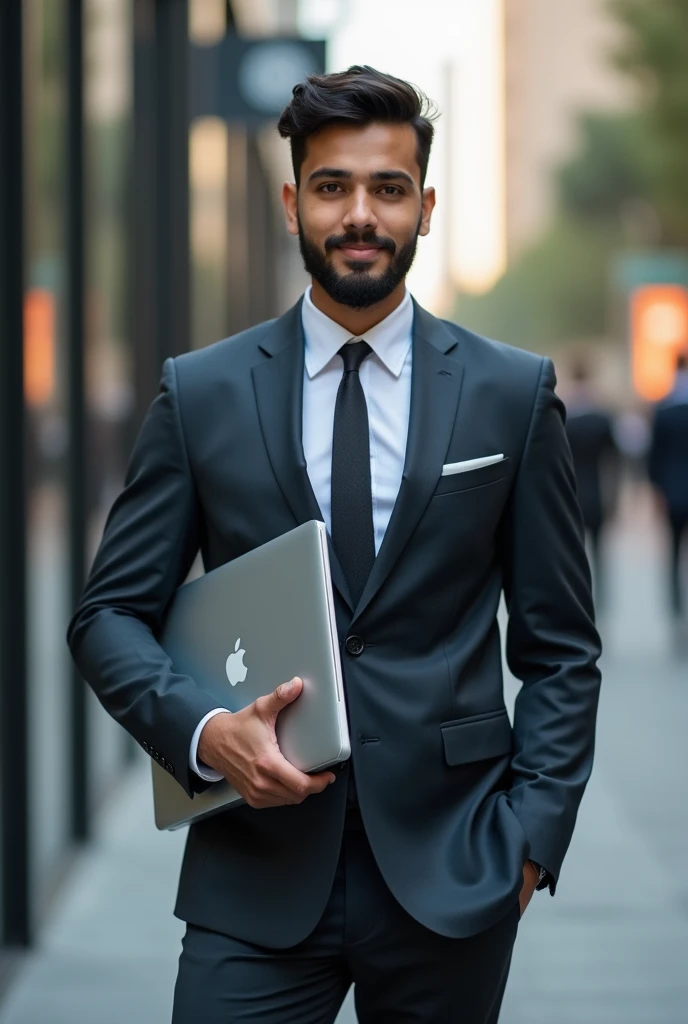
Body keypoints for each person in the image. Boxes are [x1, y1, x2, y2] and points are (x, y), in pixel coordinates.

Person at [68, 66, 601, 1024]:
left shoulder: (510, 395)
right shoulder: (202, 393)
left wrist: (530, 838)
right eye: (332, 187)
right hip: (254, 880)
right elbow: (109, 615)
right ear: (291, 202)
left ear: (425, 207)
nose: (361, 214)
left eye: (388, 188)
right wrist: (201, 734)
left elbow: (562, 648)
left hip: (456, 873)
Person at [564, 356, 620, 609]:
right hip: (597, 493)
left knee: (574, 554)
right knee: (600, 553)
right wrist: (614, 497)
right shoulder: (601, 418)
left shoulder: (563, 418)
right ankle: (603, 600)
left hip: (570, 495)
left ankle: (579, 598)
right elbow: (614, 461)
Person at [648, 351, 688, 623]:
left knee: (674, 552)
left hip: (673, 491)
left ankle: (676, 607)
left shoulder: (663, 408)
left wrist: (656, 489)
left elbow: (654, 456)